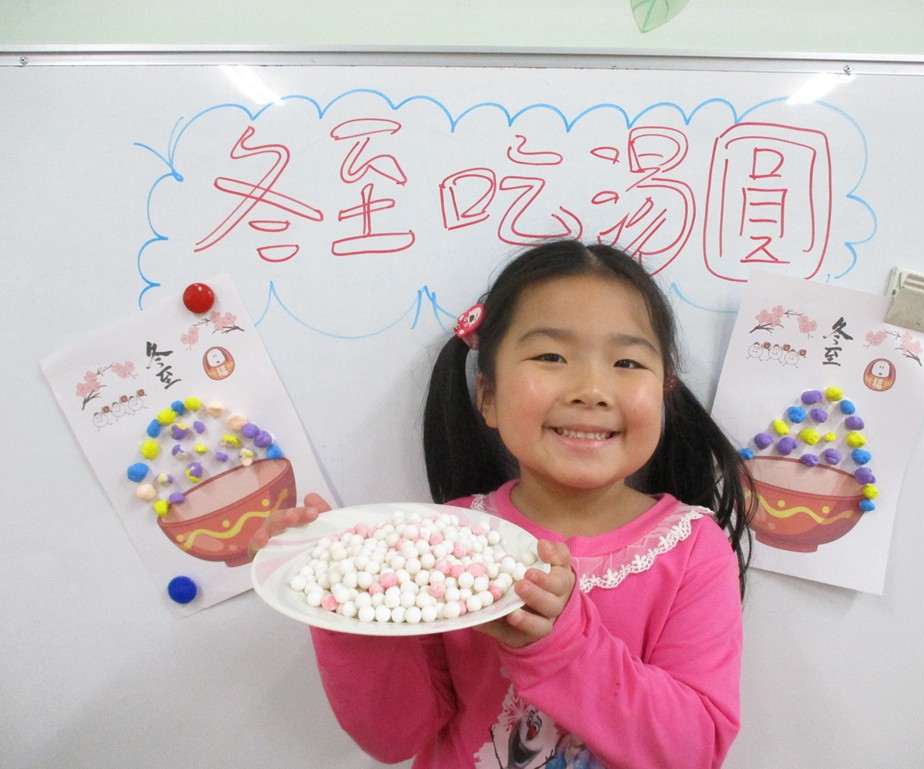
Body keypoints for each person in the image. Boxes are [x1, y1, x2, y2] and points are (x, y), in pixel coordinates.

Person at [251, 239, 753, 769]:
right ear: (487, 395)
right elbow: (394, 737)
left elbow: (693, 751)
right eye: (551, 356)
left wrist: (561, 644)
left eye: (627, 361)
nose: (591, 389)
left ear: (665, 391)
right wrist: (342, 598)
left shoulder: (692, 549)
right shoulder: (448, 536)